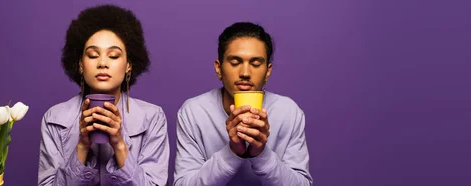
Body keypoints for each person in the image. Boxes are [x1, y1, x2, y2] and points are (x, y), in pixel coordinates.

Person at [38, 4, 169, 185]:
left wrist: (119, 145)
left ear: (129, 65)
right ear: (80, 65)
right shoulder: (54, 118)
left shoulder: (152, 118)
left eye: (113, 56)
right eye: (92, 55)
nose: (102, 63)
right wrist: (82, 146)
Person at [173, 22, 313, 186]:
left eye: (255, 64)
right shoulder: (193, 112)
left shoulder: (289, 112)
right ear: (219, 68)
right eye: (235, 62)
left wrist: (261, 154)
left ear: (267, 71)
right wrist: (232, 152)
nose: (245, 73)